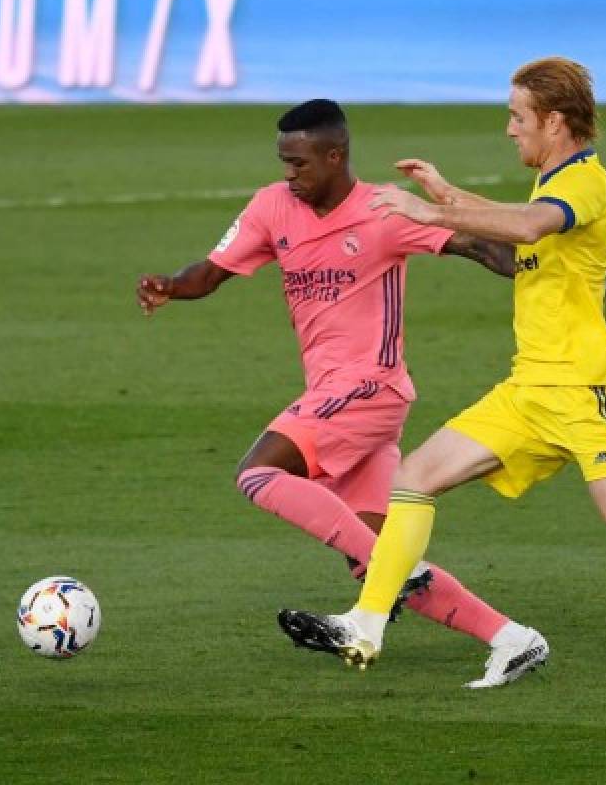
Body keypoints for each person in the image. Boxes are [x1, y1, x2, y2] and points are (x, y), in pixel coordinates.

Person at [277, 57, 606, 678]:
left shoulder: (588, 183)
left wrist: (434, 213)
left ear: (553, 122)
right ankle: (367, 622)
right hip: (529, 388)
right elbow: (517, 221)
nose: (510, 129)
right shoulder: (553, 180)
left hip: (585, 390)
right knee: (414, 478)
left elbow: (528, 228)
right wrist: (448, 195)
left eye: (517, 117)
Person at [135, 99, 548, 688]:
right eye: (284, 161)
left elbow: (484, 249)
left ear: (336, 156)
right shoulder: (272, 207)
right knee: (372, 559)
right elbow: (215, 268)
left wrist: (543, 263)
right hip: (340, 397)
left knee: (258, 475)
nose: (290, 174)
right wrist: (171, 286)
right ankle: (511, 639)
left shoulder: (384, 210)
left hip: (367, 388)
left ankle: (388, 583)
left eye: (300, 163)